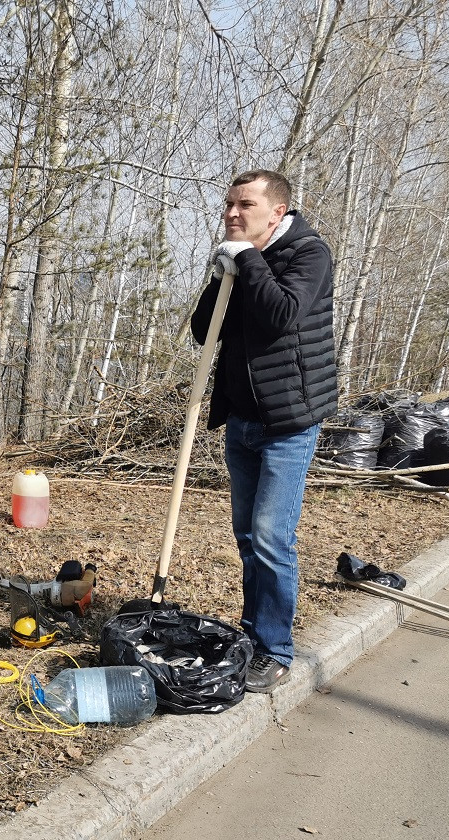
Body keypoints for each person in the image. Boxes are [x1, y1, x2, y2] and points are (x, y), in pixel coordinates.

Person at [191, 170, 338, 693]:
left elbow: (281, 315)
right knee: (247, 536)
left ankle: (274, 649)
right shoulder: (240, 261)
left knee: (273, 538)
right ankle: (252, 633)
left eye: (245, 205)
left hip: (288, 422)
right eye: (228, 204)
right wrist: (221, 277)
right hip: (243, 419)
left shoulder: (309, 254)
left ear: (277, 212)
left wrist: (247, 260)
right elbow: (203, 331)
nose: (232, 213)